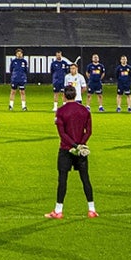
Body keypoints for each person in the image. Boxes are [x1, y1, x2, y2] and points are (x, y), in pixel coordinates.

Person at [46, 84, 97, 219]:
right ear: (76, 95)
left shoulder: (61, 111)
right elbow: (89, 131)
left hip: (66, 149)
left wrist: (74, 145)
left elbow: (62, 134)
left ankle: (58, 211)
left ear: (63, 95)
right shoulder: (85, 111)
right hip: (81, 151)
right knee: (85, 179)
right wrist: (81, 145)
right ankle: (92, 209)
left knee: (62, 180)